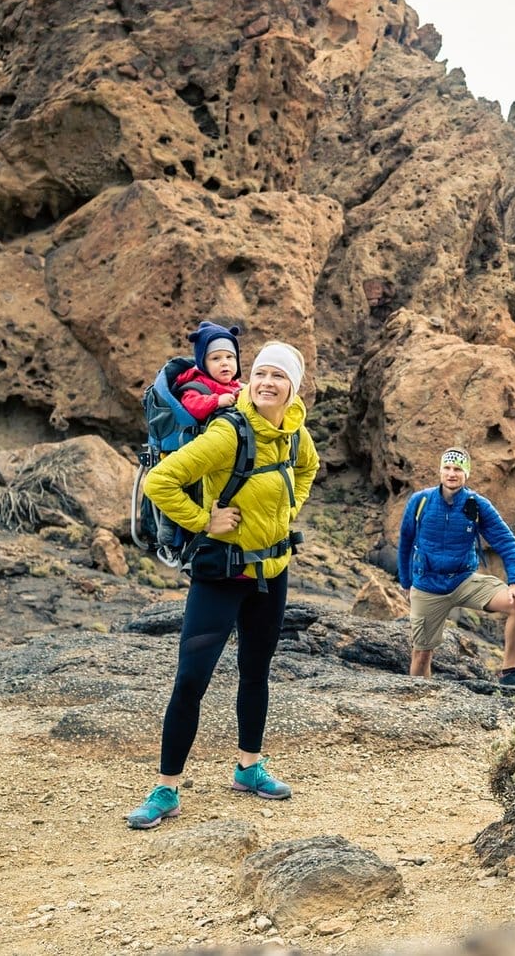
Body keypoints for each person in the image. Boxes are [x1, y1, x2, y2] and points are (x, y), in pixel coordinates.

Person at [126, 341, 320, 830]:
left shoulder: (296, 432)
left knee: (256, 673)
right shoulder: (228, 433)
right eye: (261, 374)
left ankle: (249, 767)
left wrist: (290, 510)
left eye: (279, 376)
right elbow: (161, 481)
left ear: (292, 386)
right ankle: (166, 789)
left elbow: (309, 468)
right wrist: (202, 520)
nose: (267, 383)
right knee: (192, 679)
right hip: (221, 575)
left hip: (272, 573)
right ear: (250, 380)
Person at [397, 447, 515, 686]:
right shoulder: (421, 501)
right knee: (421, 655)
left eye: (458, 469)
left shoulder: (476, 505)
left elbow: (506, 541)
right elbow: (406, 541)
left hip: (464, 580)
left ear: (466, 474)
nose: (451, 473)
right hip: (428, 585)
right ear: (440, 471)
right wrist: (406, 582)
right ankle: (420, 706)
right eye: (447, 468)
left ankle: (509, 671)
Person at [154, 321, 244, 564]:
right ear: (203, 362)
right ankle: (169, 543)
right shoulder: (194, 384)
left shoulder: (237, 387)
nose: (225, 363)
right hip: (187, 454)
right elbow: (192, 406)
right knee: (179, 498)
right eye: (216, 358)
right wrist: (217, 401)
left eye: (230, 357)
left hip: (219, 458)